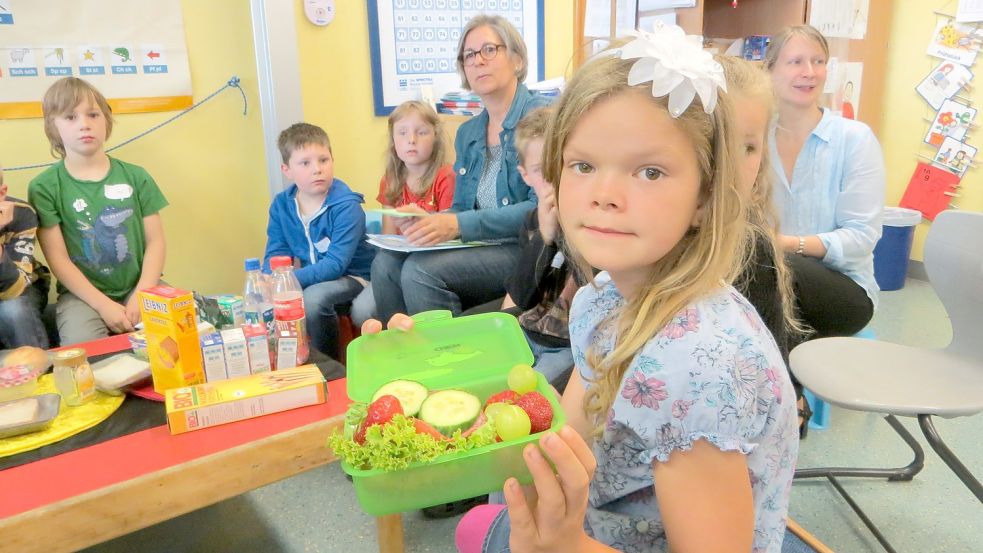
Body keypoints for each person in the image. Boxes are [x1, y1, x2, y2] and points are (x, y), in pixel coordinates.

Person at [368, 26, 798, 552]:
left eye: (650, 171)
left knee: (480, 533)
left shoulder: (699, 368)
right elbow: (558, 439)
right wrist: (433, 389)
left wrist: (565, 546)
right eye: (584, 165)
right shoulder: (604, 299)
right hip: (593, 517)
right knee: (477, 527)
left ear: (706, 196)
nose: (604, 195)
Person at [370, 14, 551, 323]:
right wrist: (433, 221)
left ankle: (444, 363)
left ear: (517, 60)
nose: (478, 61)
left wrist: (457, 225)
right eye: (469, 55)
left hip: (525, 248)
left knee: (420, 271)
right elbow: (461, 207)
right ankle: (402, 361)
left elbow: (542, 209)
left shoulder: (540, 117)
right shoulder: (468, 132)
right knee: (384, 264)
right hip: (480, 247)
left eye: (489, 50)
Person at [765, 25, 885, 338]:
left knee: (771, 264)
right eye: (795, 62)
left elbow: (861, 237)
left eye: (818, 62)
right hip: (771, 279)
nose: (810, 72)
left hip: (843, 290)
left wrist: (787, 244)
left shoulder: (855, 139)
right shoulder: (754, 141)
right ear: (769, 71)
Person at [29, 77, 168, 346]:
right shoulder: (44, 187)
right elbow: (59, 260)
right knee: (86, 355)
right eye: (70, 117)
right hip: (82, 297)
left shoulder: (136, 176)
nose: (84, 124)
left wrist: (143, 293)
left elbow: (156, 242)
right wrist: (104, 306)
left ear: (106, 120)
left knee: (183, 337)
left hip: (142, 286)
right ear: (53, 127)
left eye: (93, 114)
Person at [718, 54, 811, 434]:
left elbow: (769, 347)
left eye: (749, 148)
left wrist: (790, 393)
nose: (733, 163)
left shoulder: (750, 244)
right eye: (721, 143)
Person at [263, 123, 375, 361]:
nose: (317, 169)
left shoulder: (346, 206)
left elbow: (336, 264)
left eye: (324, 160)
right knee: (266, 300)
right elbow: (276, 252)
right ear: (287, 169)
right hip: (313, 279)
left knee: (312, 299)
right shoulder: (282, 205)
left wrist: (286, 282)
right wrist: (267, 280)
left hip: (355, 278)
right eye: (305, 163)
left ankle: (330, 369)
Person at [500, 106, 583, 393]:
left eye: (560, 166)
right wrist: (545, 237)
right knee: (493, 382)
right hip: (529, 330)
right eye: (540, 171)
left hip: (566, 345)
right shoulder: (532, 221)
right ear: (525, 176)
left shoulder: (592, 224)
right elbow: (522, 294)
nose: (552, 179)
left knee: (529, 395)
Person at [376, 100, 455, 234]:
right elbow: (388, 237)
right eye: (402, 133)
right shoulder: (390, 180)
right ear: (393, 140)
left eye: (422, 132)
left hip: (435, 248)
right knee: (382, 256)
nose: (412, 139)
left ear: (435, 138)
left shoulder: (446, 177)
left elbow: (447, 233)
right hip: (402, 248)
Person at [0, 164, 50, 349]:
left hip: (22, 286)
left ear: (2, 193)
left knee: (14, 310)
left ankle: (38, 373)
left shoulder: (21, 214)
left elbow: (15, 289)